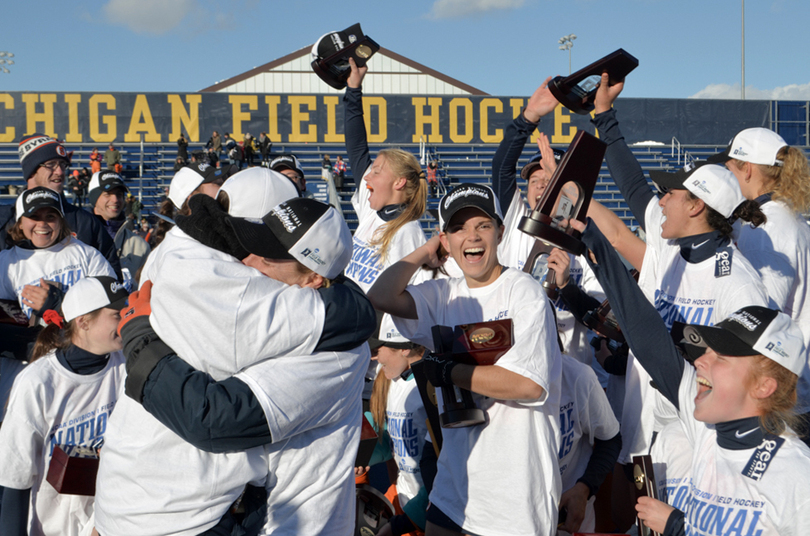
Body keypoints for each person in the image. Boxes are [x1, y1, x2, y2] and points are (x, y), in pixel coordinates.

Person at [94, 172, 375, 535]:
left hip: (290, 523)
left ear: (312, 281)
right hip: (184, 512)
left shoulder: (332, 351)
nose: (248, 261)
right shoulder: (265, 293)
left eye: (270, 258)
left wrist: (138, 335)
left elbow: (213, 418)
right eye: (252, 244)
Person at [589, 75, 772, 529]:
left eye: (671, 192)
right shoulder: (672, 244)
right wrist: (604, 118)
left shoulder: (740, 286)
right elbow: (631, 183)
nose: (660, 200)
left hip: (694, 440)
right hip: (643, 420)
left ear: (696, 206)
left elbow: (745, 384)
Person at [572, 217, 810, 535]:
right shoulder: (707, 431)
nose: (700, 361)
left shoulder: (795, 473)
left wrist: (678, 528)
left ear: (764, 385)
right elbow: (649, 339)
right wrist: (596, 244)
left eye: (720, 356)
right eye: (705, 350)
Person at [368, 183, 563, 536]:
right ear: (446, 239)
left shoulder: (524, 292)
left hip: (514, 503)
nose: (471, 236)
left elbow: (529, 385)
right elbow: (381, 295)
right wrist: (425, 250)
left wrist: (449, 371)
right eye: (458, 228)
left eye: (482, 225)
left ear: (500, 232)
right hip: (453, 493)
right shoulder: (443, 294)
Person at [0, 276, 128, 536]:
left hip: (110, 523)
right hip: (50, 526)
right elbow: (16, 478)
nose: (126, 321)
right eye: (117, 314)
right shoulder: (39, 382)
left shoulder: (126, 366)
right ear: (83, 322)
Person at [491, 78, 606, 366]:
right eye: (534, 180)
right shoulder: (516, 217)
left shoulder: (586, 235)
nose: (540, 186)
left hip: (568, 368)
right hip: (512, 361)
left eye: (549, 179)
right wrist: (529, 117)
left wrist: (567, 286)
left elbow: (598, 316)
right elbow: (502, 169)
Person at [708, 127, 810, 436]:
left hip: (780, 395)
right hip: (793, 383)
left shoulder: (764, 226)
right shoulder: (787, 216)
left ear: (747, 168)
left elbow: (760, 315)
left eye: (730, 167)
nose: (727, 174)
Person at [0, 188, 116, 422]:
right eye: (34, 216)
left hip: (81, 381)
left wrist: (60, 304)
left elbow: (115, 311)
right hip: (20, 380)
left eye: (50, 216)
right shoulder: (6, 263)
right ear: (20, 222)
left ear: (61, 220)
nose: (42, 224)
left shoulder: (86, 255)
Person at [343, 57, 428, 294]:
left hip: (377, 330)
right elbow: (356, 147)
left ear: (399, 182)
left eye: (377, 172)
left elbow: (415, 296)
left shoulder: (408, 232)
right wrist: (353, 90)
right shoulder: (373, 209)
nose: (367, 177)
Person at [0, 134, 121, 278]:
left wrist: (62, 298)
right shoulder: (4, 221)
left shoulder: (85, 222)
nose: (60, 172)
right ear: (31, 170)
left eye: (63, 165)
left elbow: (113, 282)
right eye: (51, 164)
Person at [362, 316, 430, 536]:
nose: (372, 356)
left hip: (428, 507)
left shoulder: (431, 386)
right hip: (402, 497)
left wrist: (410, 518)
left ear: (404, 349)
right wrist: (360, 459)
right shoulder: (389, 378)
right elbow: (389, 445)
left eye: (377, 348)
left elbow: (445, 467)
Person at [87, 171, 150, 288]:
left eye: (119, 194)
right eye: (107, 194)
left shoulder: (140, 246)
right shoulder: (77, 238)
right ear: (94, 198)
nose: (115, 200)